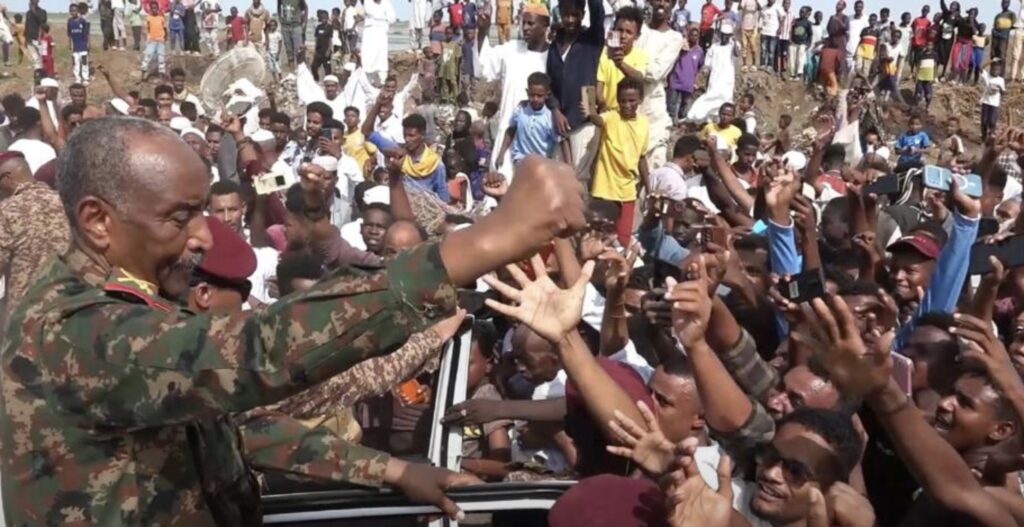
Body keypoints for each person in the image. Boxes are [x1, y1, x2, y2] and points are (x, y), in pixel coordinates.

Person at [0, 114, 587, 524]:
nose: (204, 237)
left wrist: (390, 472)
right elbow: (258, 351)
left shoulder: (129, 301)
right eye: (180, 218)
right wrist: (488, 241)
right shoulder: (69, 330)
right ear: (98, 221)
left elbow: (232, 428)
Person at [477, 1, 550, 180]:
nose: (525, 28)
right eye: (523, 23)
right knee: (501, 186)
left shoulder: (552, 57)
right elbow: (484, 64)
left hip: (538, 142)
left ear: (545, 25)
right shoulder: (511, 50)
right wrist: (483, 30)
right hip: (507, 138)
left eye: (531, 23)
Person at [0, 150, 70, 320]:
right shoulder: (66, 203)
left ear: (7, 179)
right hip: (71, 310)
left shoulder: (6, 212)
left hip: (26, 319)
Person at [584, 77, 648, 247]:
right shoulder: (611, 117)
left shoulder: (643, 123)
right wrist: (590, 107)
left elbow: (642, 157)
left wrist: (648, 186)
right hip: (605, 187)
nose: (626, 105)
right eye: (622, 101)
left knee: (623, 238)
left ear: (640, 100)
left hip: (627, 190)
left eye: (631, 101)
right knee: (598, 235)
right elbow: (597, 119)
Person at [547, 0, 604, 183]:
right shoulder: (554, 45)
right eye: (566, 15)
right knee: (558, 178)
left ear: (582, 14)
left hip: (584, 120)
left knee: (579, 179)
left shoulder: (592, 39)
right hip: (560, 123)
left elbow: (598, 11)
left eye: (575, 15)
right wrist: (555, 110)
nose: (570, 19)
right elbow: (549, 83)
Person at [637, 0, 683, 171]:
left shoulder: (674, 38)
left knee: (653, 158)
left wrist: (630, 64)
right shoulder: (639, 29)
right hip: (628, 97)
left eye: (667, 0)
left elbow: (655, 72)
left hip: (652, 102)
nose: (662, 3)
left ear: (673, 5)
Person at [496, 72, 568, 168]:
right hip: (520, 160)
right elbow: (511, 130)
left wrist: (569, 164)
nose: (535, 99)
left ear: (547, 95)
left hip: (542, 164)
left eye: (539, 96)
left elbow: (562, 140)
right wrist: (501, 154)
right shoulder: (521, 109)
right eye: (532, 95)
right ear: (527, 92)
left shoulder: (550, 117)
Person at [686, 23, 738, 122]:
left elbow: (737, 53)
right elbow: (707, 65)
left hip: (727, 81)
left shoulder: (733, 46)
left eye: (727, 36)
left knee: (724, 102)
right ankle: (698, 118)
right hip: (714, 79)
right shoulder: (714, 47)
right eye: (723, 35)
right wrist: (702, 77)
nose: (724, 37)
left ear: (730, 36)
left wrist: (735, 42)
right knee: (709, 99)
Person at [668, 26, 704, 123]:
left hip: (688, 84)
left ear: (698, 37)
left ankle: (681, 124)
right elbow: (673, 61)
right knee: (671, 105)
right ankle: (670, 123)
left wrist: (695, 81)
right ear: (688, 36)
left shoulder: (699, 51)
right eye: (692, 35)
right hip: (676, 81)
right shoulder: (682, 47)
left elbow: (700, 66)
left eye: (696, 36)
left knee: (684, 106)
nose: (693, 37)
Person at [363, 0, 396, 80]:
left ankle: (382, 79)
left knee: (381, 57)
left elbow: (392, 19)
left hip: (381, 32)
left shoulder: (386, 3)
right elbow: (369, 11)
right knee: (368, 56)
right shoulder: (367, 2)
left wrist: (382, 20)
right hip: (369, 31)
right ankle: (368, 78)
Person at [140, 1, 167, 78]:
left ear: (158, 8)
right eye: (153, 8)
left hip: (160, 40)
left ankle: (161, 76)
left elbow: (165, 29)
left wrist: (165, 38)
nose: (154, 10)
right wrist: (148, 38)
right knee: (147, 56)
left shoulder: (161, 18)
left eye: (156, 8)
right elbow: (147, 29)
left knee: (161, 58)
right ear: (151, 9)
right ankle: (142, 75)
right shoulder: (149, 18)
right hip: (152, 40)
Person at [277, 0, 307, 68]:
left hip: (296, 26)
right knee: (289, 51)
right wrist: (280, 18)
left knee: (299, 51)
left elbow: (305, 7)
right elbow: (279, 7)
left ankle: (301, 70)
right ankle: (292, 71)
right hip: (285, 26)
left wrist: (304, 22)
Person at [981, 61, 1006, 140]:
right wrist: (990, 61)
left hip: (994, 104)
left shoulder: (1001, 80)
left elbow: (1003, 93)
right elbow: (981, 68)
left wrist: (1000, 88)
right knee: (984, 121)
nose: (995, 71)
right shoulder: (987, 76)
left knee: (992, 121)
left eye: (997, 70)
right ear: (991, 69)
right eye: (994, 69)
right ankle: (984, 136)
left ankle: (991, 137)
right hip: (986, 102)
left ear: (1000, 71)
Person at [67, 4, 90, 85]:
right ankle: (77, 79)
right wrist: (70, 44)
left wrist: (88, 44)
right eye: (72, 11)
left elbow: (87, 34)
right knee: (75, 64)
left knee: (84, 63)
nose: (73, 12)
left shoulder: (82, 21)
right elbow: (69, 35)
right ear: (70, 12)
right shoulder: (70, 21)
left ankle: (85, 78)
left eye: (75, 10)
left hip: (83, 46)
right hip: (75, 48)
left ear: (78, 11)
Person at [758, 0, 783, 71]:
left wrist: (780, 28)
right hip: (764, 31)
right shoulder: (764, 7)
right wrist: (759, 26)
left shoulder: (778, 7)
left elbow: (783, 17)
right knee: (763, 49)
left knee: (771, 50)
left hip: (773, 32)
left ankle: (769, 66)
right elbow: (761, 18)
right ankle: (762, 64)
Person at [310, 10, 332, 80]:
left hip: (326, 51)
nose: (324, 19)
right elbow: (316, 39)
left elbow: (330, 40)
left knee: (327, 67)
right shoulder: (318, 27)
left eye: (325, 18)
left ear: (327, 18)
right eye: (322, 18)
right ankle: (316, 79)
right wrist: (315, 50)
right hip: (318, 51)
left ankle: (328, 80)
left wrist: (329, 50)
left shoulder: (329, 27)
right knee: (313, 66)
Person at [915, 42, 937, 108]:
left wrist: (934, 76)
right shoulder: (921, 54)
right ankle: (917, 105)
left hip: (929, 77)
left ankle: (927, 107)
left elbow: (935, 66)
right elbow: (918, 65)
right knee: (918, 93)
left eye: (930, 45)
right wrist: (916, 75)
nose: (929, 46)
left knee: (928, 94)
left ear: (932, 46)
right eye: (927, 45)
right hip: (920, 76)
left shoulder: (934, 55)